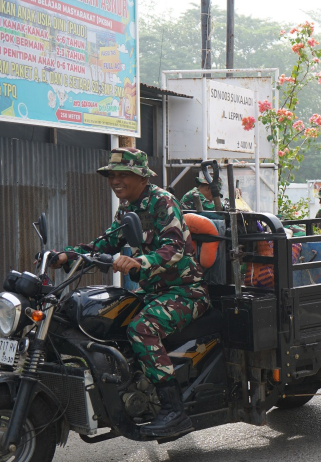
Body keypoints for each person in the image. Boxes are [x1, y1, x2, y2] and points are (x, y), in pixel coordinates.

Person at [52, 148, 209, 438]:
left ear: (141, 177)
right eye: (112, 175)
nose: (115, 180)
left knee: (141, 328)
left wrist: (140, 261)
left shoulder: (163, 201)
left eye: (123, 174)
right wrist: (67, 255)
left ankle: (175, 411)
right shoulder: (127, 210)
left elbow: (174, 247)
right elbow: (106, 242)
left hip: (186, 291)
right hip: (153, 292)